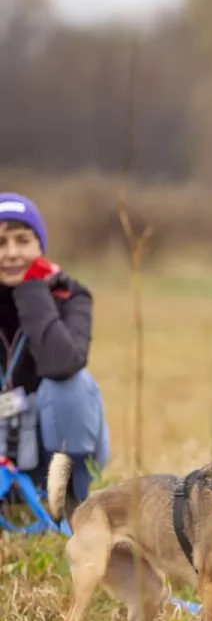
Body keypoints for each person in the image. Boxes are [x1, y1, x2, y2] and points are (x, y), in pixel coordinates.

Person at [0, 192, 109, 514]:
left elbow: (63, 364)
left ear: (40, 247)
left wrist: (32, 290)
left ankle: (71, 499)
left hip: (58, 449)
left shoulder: (70, 295)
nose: (12, 253)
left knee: (72, 384)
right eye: (1, 243)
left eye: (23, 241)